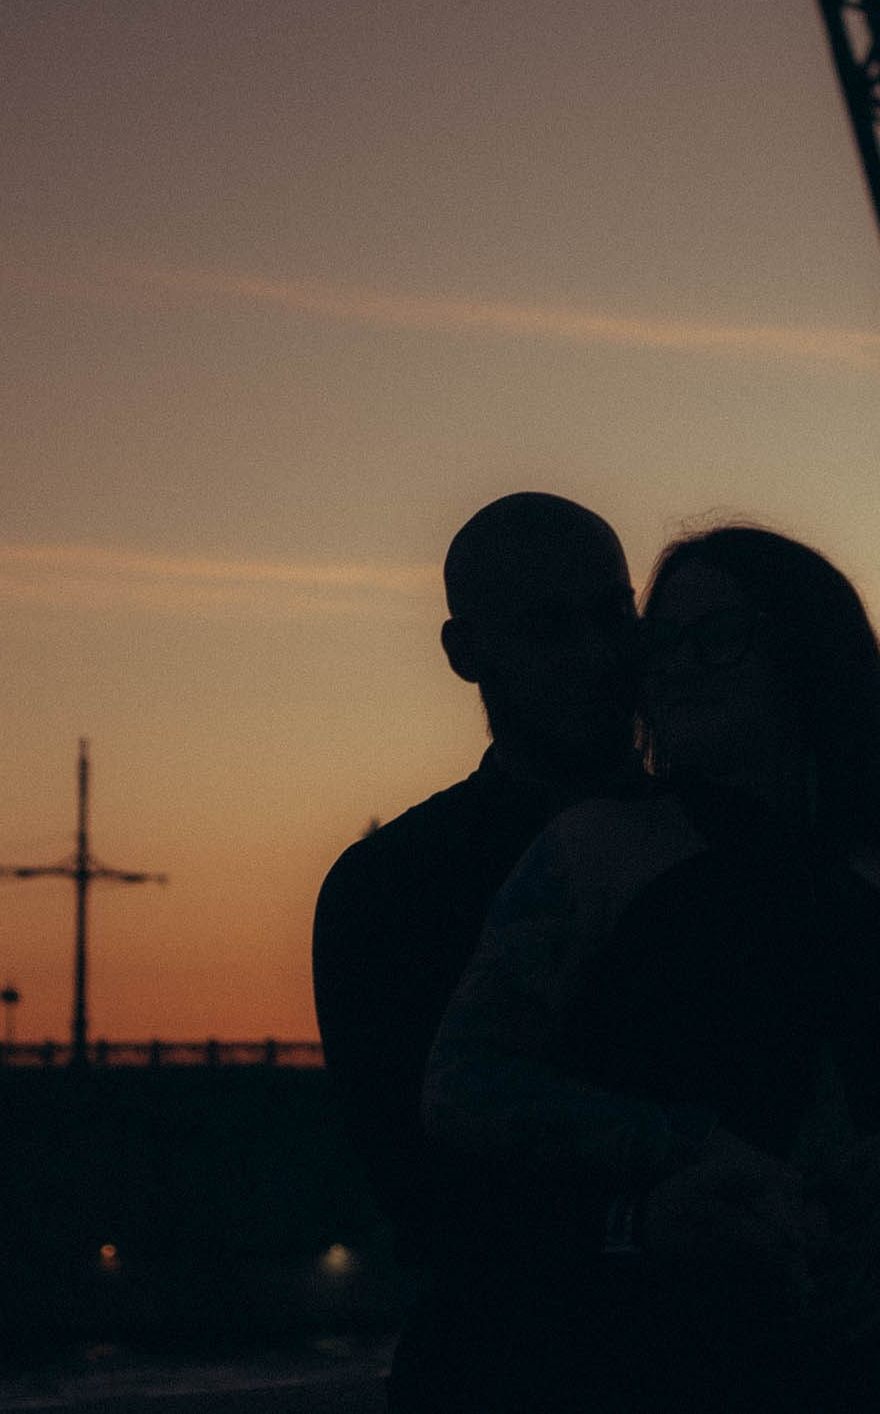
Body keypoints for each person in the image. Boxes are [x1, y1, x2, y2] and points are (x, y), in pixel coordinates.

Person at [423, 524, 880, 1411]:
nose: (673, 667)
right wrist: (690, 1152)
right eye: (663, 643)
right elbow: (463, 1083)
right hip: (668, 1362)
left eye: (715, 638)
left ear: (811, 656)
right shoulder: (593, 850)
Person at [311, 491, 647, 1410]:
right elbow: (423, 1190)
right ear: (466, 655)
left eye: (613, 616)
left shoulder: (387, 883)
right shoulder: (386, 888)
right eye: (549, 626)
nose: (594, 654)